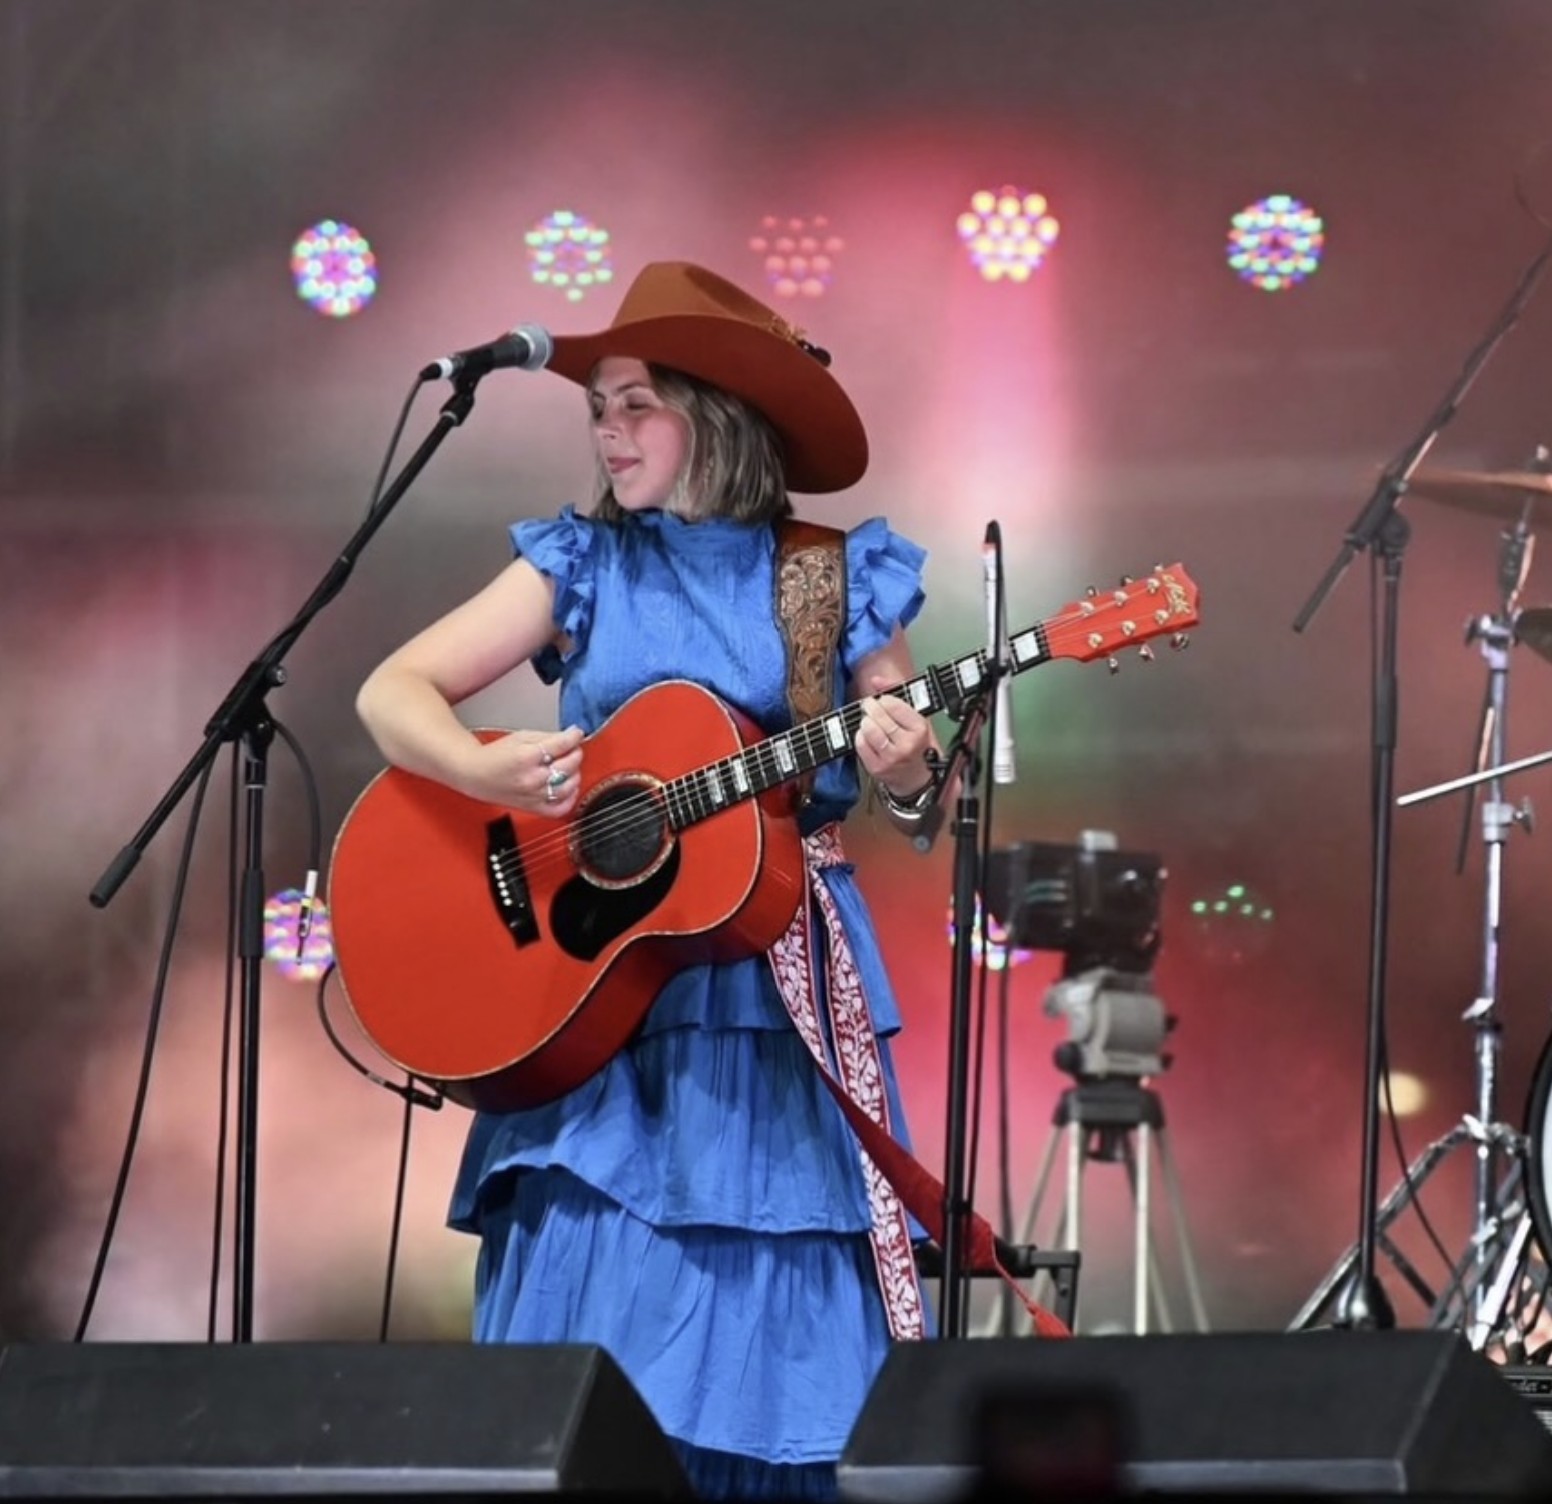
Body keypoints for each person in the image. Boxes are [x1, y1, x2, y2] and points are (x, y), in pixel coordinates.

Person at [355, 261, 944, 1500]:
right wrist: (484, 769)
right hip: (594, 1015)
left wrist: (903, 767)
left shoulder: (828, 575)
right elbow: (390, 691)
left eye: (635, 403)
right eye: (597, 409)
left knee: (771, 1337)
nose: (607, 431)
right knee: (588, 1352)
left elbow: (916, 782)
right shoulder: (583, 561)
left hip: (770, 1005)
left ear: (715, 412)